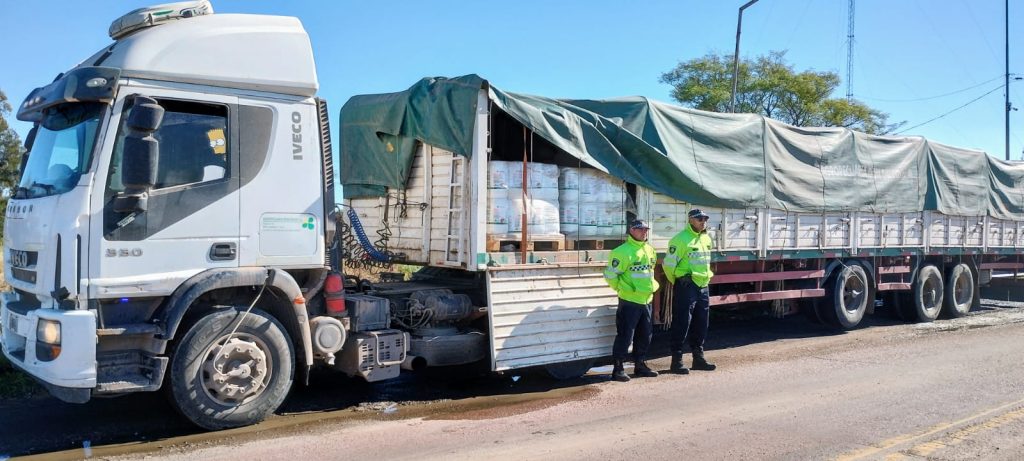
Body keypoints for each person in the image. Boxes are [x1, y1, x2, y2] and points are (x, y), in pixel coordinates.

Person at [604, 219, 660, 382]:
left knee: (645, 335)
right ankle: (618, 369)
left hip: (646, 299)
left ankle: (640, 365)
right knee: (625, 336)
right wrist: (622, 290)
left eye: (646, 229)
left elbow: (650, 271)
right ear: (631, 230)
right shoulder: (621, 252)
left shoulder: (650, 250)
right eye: (640, 229)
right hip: (629, 301)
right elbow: (610, 275)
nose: (644, 232)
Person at [663, 208, 717, 374]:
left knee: (701, 323)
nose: (703, 222)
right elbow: (668, 265)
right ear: (690, 220)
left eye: (705, 219)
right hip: (687, 285)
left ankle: (698, 359)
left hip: (703, 285)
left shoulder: (706, 238)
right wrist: (678, 280)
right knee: (682, 322)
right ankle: (676, 361)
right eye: (700, 219)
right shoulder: (680, 239)